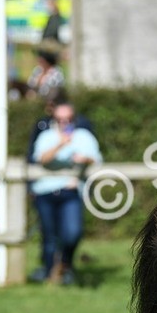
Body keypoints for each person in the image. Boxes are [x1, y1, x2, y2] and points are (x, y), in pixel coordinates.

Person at [30, 101, 102, 284]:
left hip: (71, 192)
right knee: (49, 236)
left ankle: (64, 265)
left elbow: (97, 160)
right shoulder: (46, 136)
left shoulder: (84, 136)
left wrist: (85, 159)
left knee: (73, 233)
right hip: (46, 192)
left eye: (68, 119)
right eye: (60, 119)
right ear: (54, 120)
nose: (64, 123)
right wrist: (60, 145)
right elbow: (40, 159)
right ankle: (49, 274)